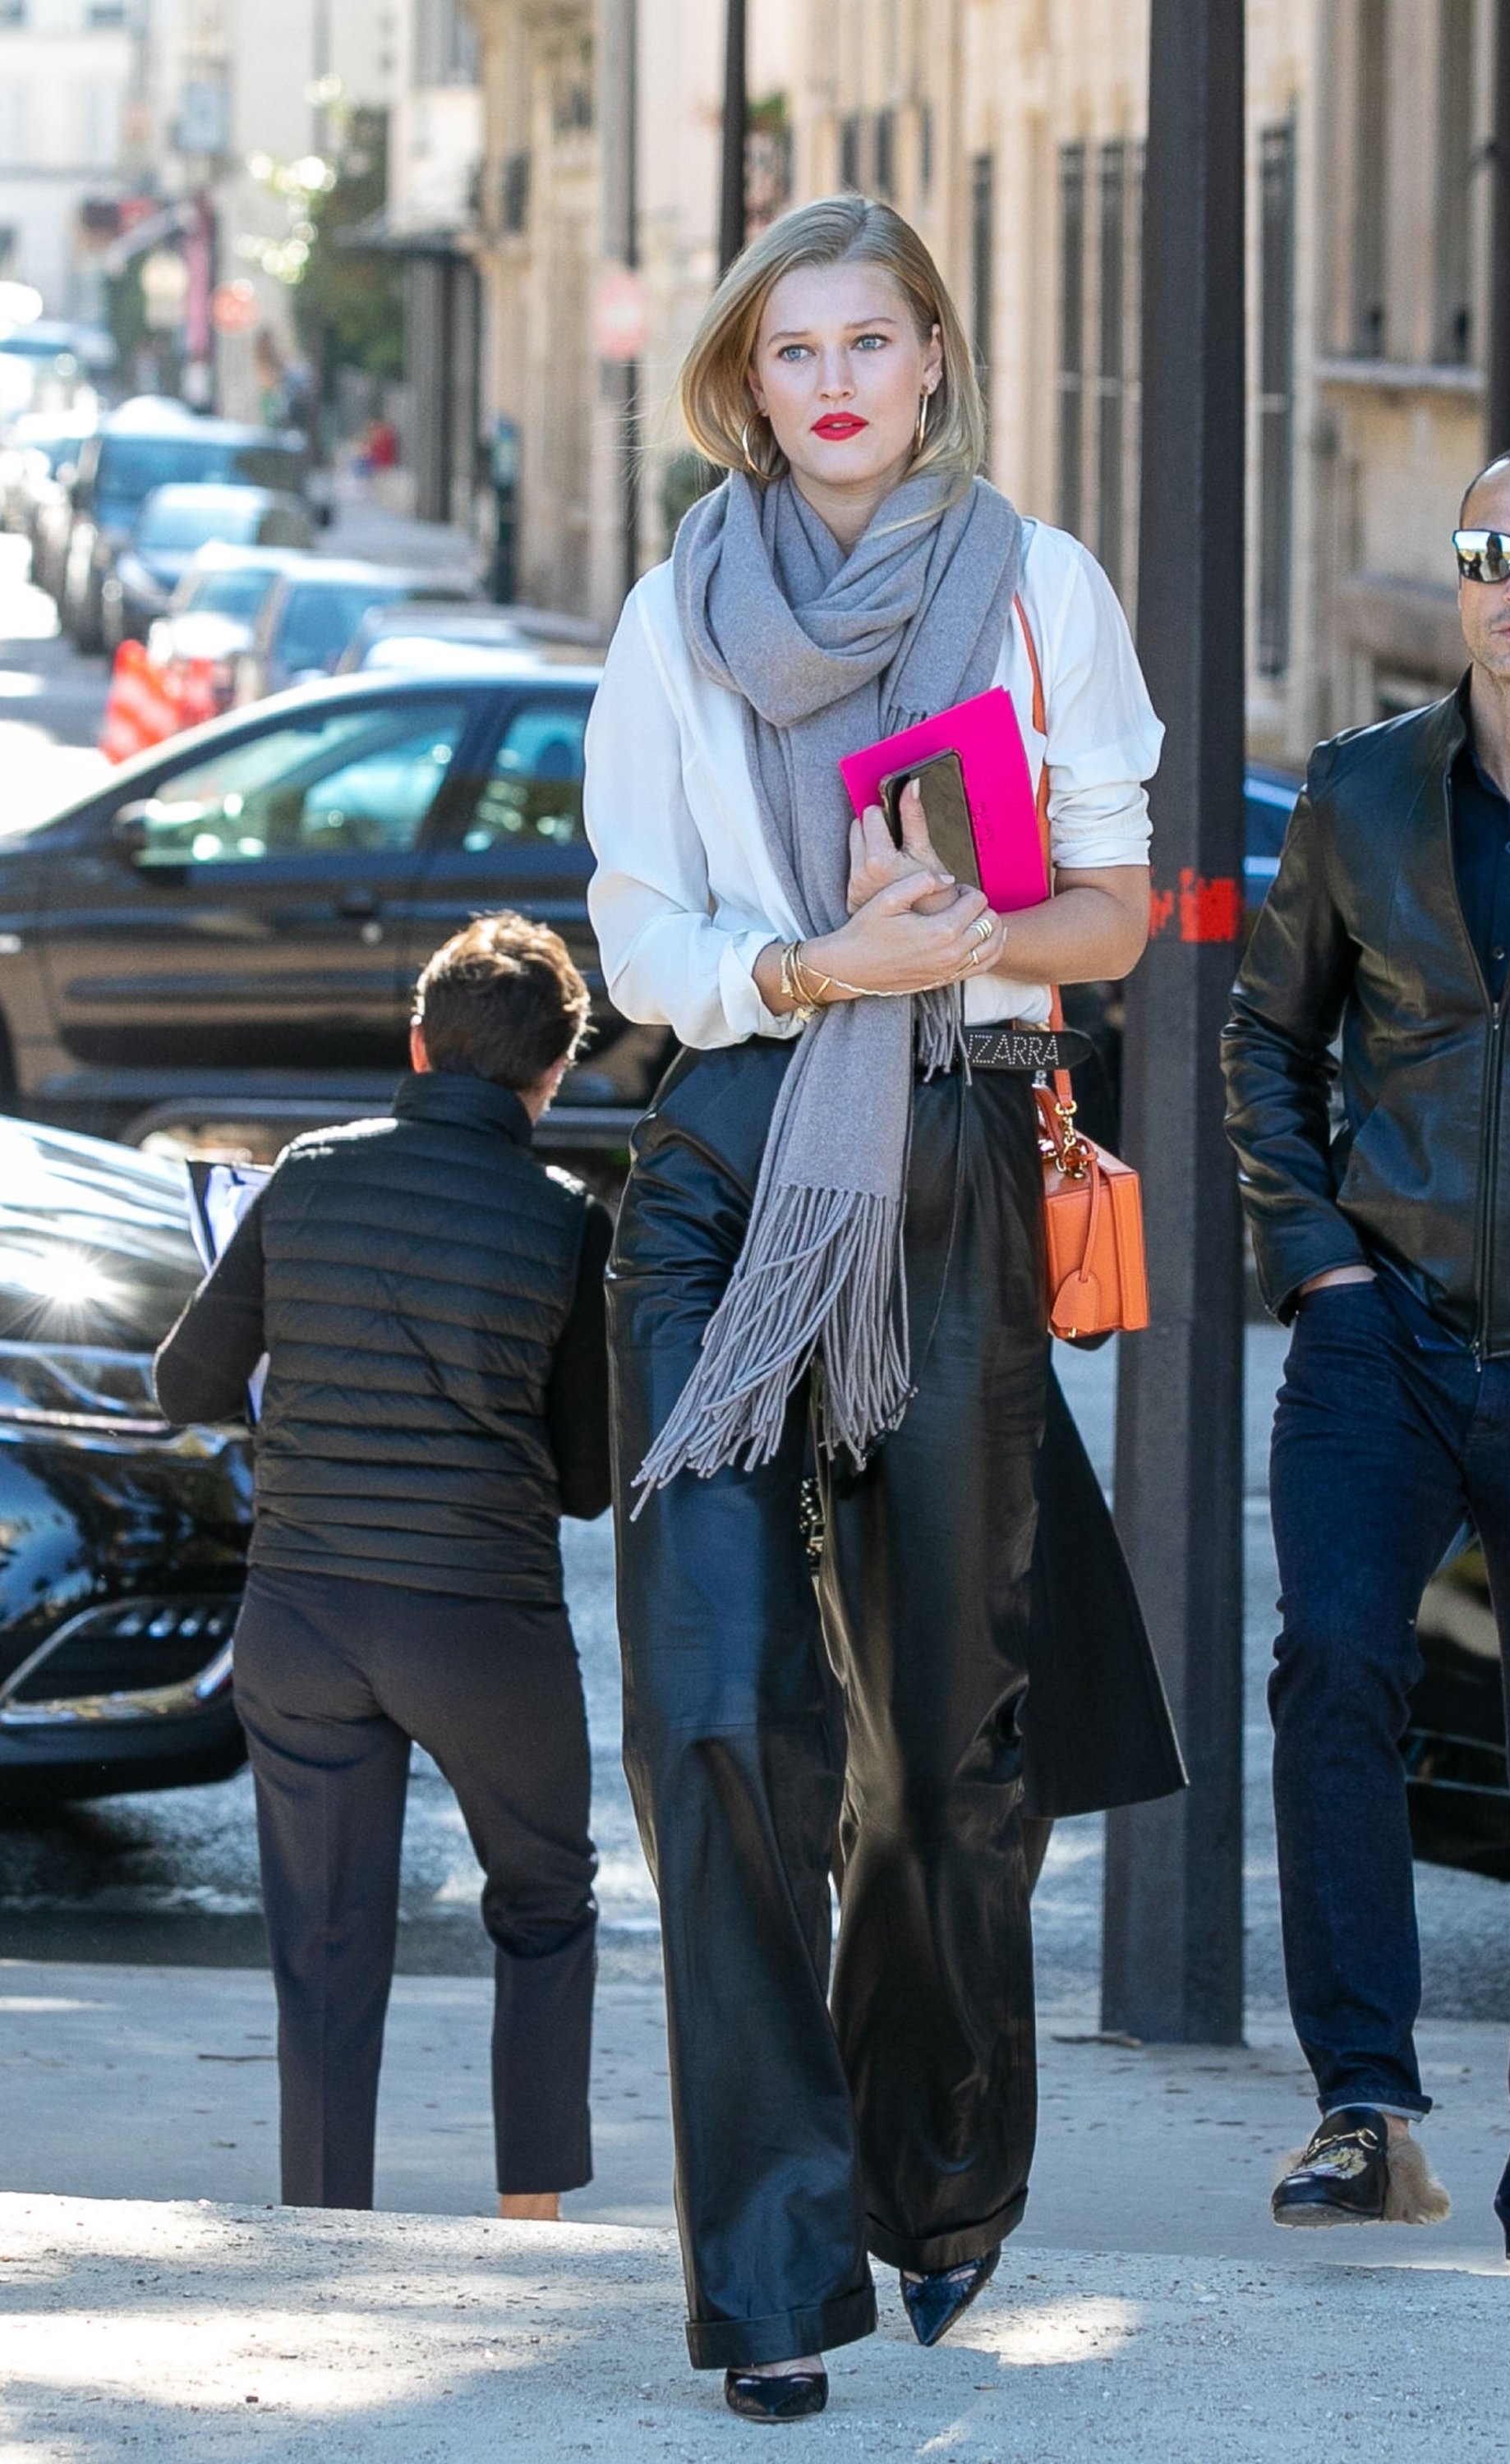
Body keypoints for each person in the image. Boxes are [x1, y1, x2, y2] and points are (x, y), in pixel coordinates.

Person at [583, 193, 1160, 2420]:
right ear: (750, 383)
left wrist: (987, 934)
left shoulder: (1042, 587)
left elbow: (1116, 901)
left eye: (870, 340)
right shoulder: (671, 615)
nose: (831, 381)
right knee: (720, 1719)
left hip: (953, 1163)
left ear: (933, 359)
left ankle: (938, 2179)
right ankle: (770, 2273)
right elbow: (641, 937)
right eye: (790, 349)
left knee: (940, 1754)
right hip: (728, 1172)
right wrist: (829, 962)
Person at [1223, 438, 1510, 2279]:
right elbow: (1262, 1044)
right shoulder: (1356, 793)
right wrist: (1310, 1262)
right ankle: (1365, 2104)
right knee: (1328, 1663)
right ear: (1461, 578)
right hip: (1376, 1336)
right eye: (1492, 549)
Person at [154, 914, 612, 2221]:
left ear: (418, 1039)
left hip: (301, 1621)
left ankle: (323, 2226)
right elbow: (584, 1482)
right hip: (480, 1626)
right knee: (542, 1900)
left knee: (325, 1940)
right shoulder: (565, 1219)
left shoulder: (302, 1176)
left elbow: (186, 1378)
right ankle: (531, 2217)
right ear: (555, 1071)